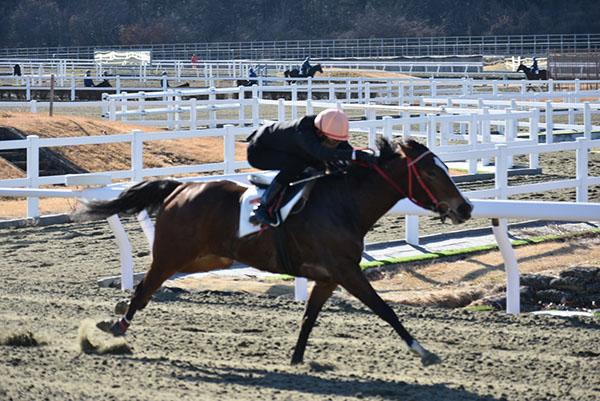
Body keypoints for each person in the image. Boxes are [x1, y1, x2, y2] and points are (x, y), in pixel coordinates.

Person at [246, 108, 377, 226]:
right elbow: (321, 153)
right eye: (332, 141)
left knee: (320, 166)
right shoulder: (303, 131)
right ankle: (261, 208)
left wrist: (364, 157)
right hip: (259, 152)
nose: (335, 144)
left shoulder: (328, 128)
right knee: (296, 164)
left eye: (338, 141)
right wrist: (354, 155)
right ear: (320, 133)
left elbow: (345, 149)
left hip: (287, 149)